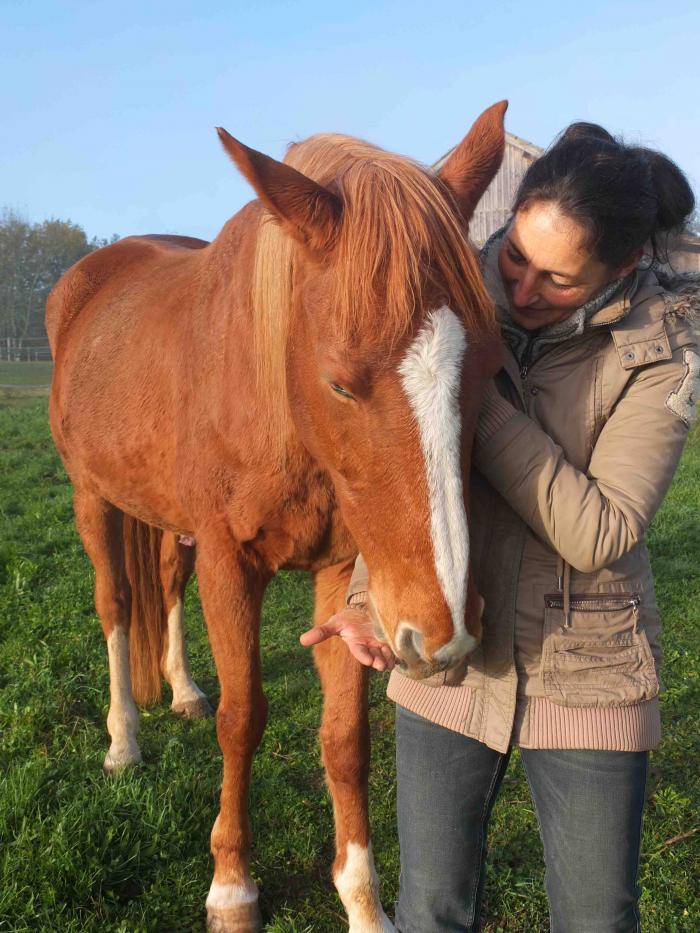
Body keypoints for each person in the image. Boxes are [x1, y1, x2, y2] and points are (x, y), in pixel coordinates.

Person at [300, 122, 699, 932]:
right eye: (515, 256)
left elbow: (602, 529)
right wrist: (374, 594)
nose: (520, 290)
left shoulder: (660, 351)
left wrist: (470, 397)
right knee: (431, 911)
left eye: (557, 278)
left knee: (596, 918)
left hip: (589, 669)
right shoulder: (449, 301)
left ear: (620, 269)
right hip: (453, 661)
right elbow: (406, 462)